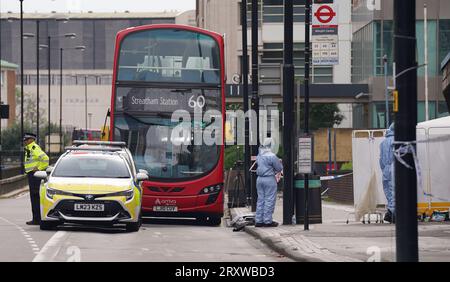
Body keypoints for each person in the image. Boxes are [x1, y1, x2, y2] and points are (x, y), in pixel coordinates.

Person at [255, 138, 283, 227]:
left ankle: (259, 220)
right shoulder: (272, 156)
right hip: (269, 179)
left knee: (260, 199)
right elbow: (279, 168)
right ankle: (267, 221)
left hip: (259, 179)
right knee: (269, 200)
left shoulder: (260, 155)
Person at [23, 133, 49, 225]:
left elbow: (46, 159)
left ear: (31, 140)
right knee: (34, 198)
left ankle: (37, 219)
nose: (25, 141)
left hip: (35, 176)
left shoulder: (34, 148)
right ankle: (36, 218)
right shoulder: (29, 148)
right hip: (32, 175)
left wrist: (38, 168)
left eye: (26, 139)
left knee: (35, 198)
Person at [379, 123, 395, 223]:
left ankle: (391, 213)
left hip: (386, 170)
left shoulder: (383, 143)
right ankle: (393, 214)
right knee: (395, 192)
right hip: (395, 167)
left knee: (388, 192)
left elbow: (380, 160)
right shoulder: (397, 141)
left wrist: (384, 168)